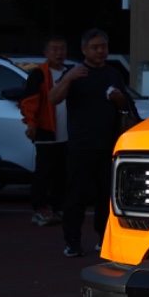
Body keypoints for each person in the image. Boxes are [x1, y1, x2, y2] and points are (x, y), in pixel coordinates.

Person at [50, 29, 132, 258]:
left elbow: (126, 106)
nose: (100, 51)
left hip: (108, 145)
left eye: (103, 46)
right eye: (95, 47)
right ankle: (72, 241)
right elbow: (53, 98)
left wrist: (119, 98)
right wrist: (68, 78)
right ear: (84, 50)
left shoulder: (113, 73)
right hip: (81, 145)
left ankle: (103, 238)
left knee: (107, 196)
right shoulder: (74, 73)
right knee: (76, 196)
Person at [19, 35, 70, 227]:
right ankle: (39, 209)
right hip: (46, 131)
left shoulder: (71, 73)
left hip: (68, 134)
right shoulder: (38, 74)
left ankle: (59, 208)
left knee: (62, 174)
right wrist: (31, 124)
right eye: (54, 49)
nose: (59, 53)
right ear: (46, 53)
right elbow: (29, 101)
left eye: (62, 48)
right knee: (44, 172)